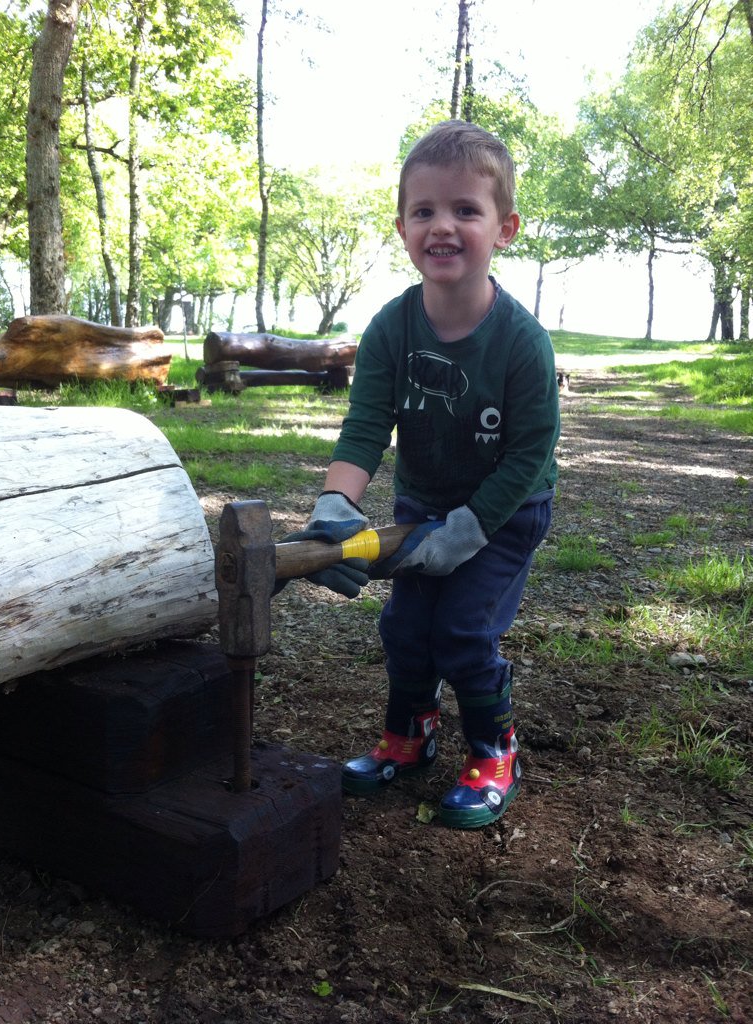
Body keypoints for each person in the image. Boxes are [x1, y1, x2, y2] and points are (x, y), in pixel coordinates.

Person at [290, 119, 560, 829]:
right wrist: (335, 507)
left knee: (463, 634)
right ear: (403, 226)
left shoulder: (522, 343)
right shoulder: (390, 329)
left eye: (465, 210)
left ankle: (493, 750)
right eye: (424, 210)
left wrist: (470, 528)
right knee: (407, 629)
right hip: (421, 504)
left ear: (504, 228)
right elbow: (365, 427)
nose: (442, 226)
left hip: (505, 510)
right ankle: (409, 739)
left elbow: (531, 451)